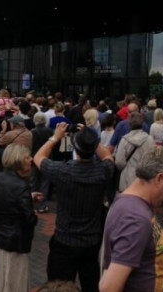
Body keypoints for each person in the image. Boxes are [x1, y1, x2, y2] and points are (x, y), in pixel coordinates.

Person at [99, 146, 163, 292]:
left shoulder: (129, 204)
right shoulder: (136, 219)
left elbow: (134, 256)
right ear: (159, 178)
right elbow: (108, 287)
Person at [33, 122, 114, 291]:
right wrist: (90, 138)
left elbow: (38, 157)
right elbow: (107, 156)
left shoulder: (62, 171)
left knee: (58, 286)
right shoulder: (103, 170)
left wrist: (56, 137)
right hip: (91, 241)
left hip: (65, 239)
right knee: (91, 284)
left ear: (74, 148)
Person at [0, 143, 42, 291]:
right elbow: (30, 219)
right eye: (27, 157)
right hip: (17, 243)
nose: (30, 160)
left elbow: (4, 199)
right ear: (18, 160)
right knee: (15, 283)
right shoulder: (21, 185)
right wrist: (33, 213)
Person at [115, 112, 156, 192]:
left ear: (129, 124)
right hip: (144, 177)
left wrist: (125, 167)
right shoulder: (149, 139)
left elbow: (119, 161)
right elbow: (153, 159)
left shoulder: (124, 140)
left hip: (128, 176)